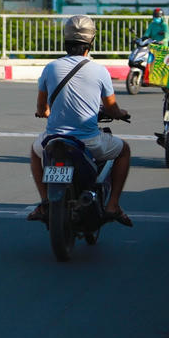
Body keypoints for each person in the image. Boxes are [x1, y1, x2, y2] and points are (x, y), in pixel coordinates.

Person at [29, 14, 133, 226]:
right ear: (91, 43)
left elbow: (41, 107)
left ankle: (45, 201)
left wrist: (45, 113)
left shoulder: (50, 68)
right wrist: (120, 114)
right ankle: (113, 204)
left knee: (34, 151)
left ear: (65, 41)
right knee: (124, 151)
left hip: (53, 139)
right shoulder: (99, 71)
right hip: (89, 142)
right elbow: (111, 108)